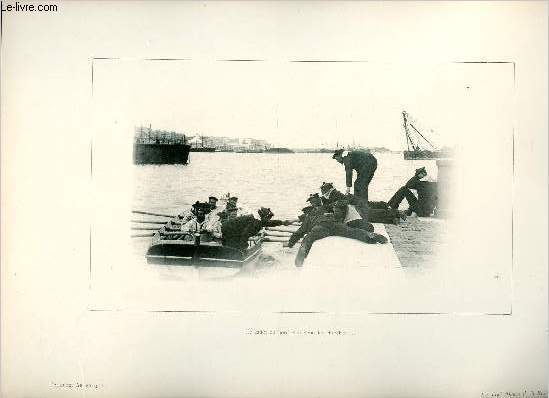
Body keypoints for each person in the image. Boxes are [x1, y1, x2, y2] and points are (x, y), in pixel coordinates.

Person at [287, 200, 388, 267]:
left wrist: (290, 243)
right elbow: (339, 218)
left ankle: (299, 263)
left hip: (321, 227)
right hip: (334, 225)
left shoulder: (309, 218)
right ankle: (370, 236)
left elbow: (298, 233)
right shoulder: (325, 213)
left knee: (307, 239)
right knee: (351, 232)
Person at [221, 207, 293, 250]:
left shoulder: (257, 218)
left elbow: (269, 223)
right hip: (228, 231)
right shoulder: (256, 223)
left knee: (233, 244)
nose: (269, 219)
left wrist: (282, 222)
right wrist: (243, 247)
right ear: (264, 217)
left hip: (228, 228)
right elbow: (245, 235)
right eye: (268, 218)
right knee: (233, 247)